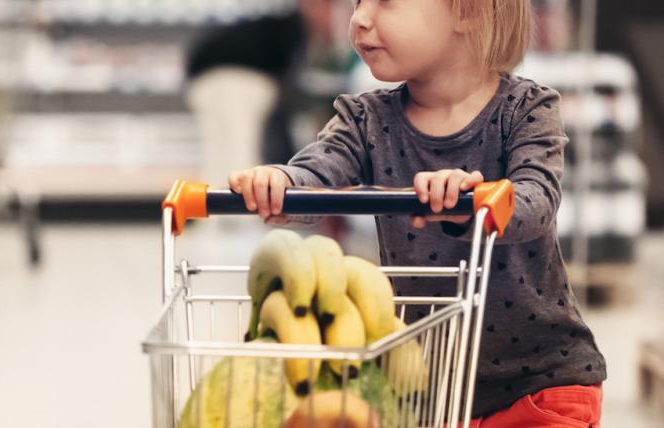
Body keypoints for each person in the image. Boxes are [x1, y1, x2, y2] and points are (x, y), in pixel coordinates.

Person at [228, 0, 606, 426]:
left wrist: (474, 202)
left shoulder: (527, 110)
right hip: (431, 387)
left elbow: (536, 200)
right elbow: (318, 172)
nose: (360, 19)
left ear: (469, 12)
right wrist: (281, 183)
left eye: (385, 2)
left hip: (541, 384)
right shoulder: (365, 119)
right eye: (357, 2)